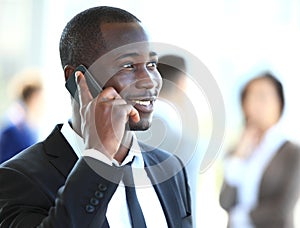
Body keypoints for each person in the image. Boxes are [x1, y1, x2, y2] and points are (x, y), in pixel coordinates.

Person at [0, 6, 192, 228]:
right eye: (128, 66)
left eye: (151, 65)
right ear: (78, 79)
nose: (150, 80)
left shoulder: (169, 169)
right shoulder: (17, 178)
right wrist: (98, 157)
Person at [219, 72, 300, 228]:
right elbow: (225, 201)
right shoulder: (236, 150)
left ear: (279, 103)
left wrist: (240, 217)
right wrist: (238, 158)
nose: (256, 104)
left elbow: (283, 206)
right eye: (250, 97)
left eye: (263, 97)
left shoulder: (292, 152)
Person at [0, 68, 44, 163]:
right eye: (39, 98)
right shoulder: (14, 129)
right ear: (32, 97)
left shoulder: (31, 126)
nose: (42, 103)